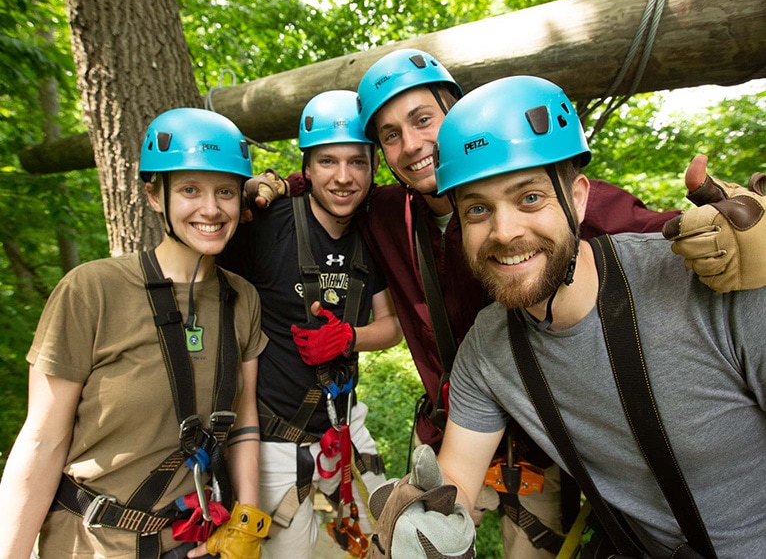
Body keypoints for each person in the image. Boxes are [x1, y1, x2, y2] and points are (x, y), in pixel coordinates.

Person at [252, 48, 705, 558]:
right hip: (452, 430)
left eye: (423, 120)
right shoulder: (386, 215)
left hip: (541, 446)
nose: (412, 145)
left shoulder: (546, 196)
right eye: (390, 135)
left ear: (456, 116)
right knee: (408, 543)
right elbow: (333, 186)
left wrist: (726, 228)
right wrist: (274, 185)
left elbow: (666, 237)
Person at [429, 75, 766, 557]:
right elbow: (457, 477)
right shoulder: (487, 350)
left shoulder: (712, 284)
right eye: (478, 209)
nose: (504, 232)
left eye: (529, 198)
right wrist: (423, 519)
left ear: (579, 198)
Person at [0, 108, 271, 559]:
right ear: (153, 195)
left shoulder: (241, 299)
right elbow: (42, 439)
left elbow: (243, 423)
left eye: (225, 191)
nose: (211, 208)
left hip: (194, 541)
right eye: (189, 190)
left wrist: (247, 522)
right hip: (93, 543)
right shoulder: (92, 291)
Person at [218, 90, 402, 559]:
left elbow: (392, 325)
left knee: (390, 538)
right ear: (306, 167)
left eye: (357, 163)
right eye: (327, 162)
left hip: (344, 424)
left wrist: (349, 337)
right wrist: (246, 190)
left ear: (373, 167)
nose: (343, 177)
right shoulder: (267, 225)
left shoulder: (371, 234)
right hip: (275, 440)